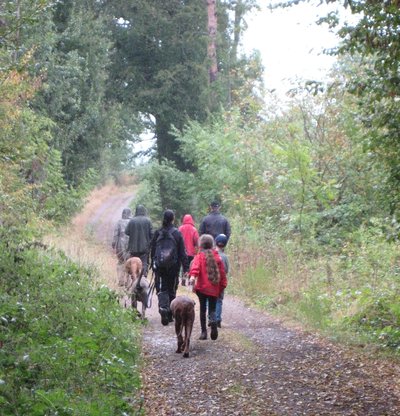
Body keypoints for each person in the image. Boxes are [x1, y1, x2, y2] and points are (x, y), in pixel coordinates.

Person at [150, 209, 189, 326]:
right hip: (173, 266)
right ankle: (170, 314)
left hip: (159, 265)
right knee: (172, 288)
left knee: (162, 287)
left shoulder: (158, 232)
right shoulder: (177, 233)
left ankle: (163, 307)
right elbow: (182, 252)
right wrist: (186, 268)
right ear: (173, 219)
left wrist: (153, 262)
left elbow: (153, 249)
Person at [189, 234, 227, 341]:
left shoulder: (199, 256)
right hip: (214, 288)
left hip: (202, 288)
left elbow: (195, 268)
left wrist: (192, 277)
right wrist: (222, 287)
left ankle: (204, 332)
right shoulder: (217, 257)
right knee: (212, 308)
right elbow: (223, 275)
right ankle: (213, 321)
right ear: (212, 245)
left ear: (200, 245)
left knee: (202, 309)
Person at [125, 204, 153, 277]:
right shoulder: (148, 220)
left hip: (133, 248)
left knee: (133, 263)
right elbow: (152, 234)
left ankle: (135, 279)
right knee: (144, 263)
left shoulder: (132, 221)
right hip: (145, 248)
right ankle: (143, 277)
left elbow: (127, 232)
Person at [178, 214, 199, 285]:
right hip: (191, 252)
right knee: (190, 266)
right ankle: (190, 279)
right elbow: (197, 241)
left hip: (181, 251)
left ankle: (183, 278)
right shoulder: (194, 229)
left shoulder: (180, 228)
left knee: (182, 265)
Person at [214, 233, 229, 328]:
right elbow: (226, 270)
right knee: (219, 300)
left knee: (210, 300)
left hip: (211, 281)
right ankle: (217, 319)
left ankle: (210, 317)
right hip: (220, 282)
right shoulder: (224, 257)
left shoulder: (210, 254)